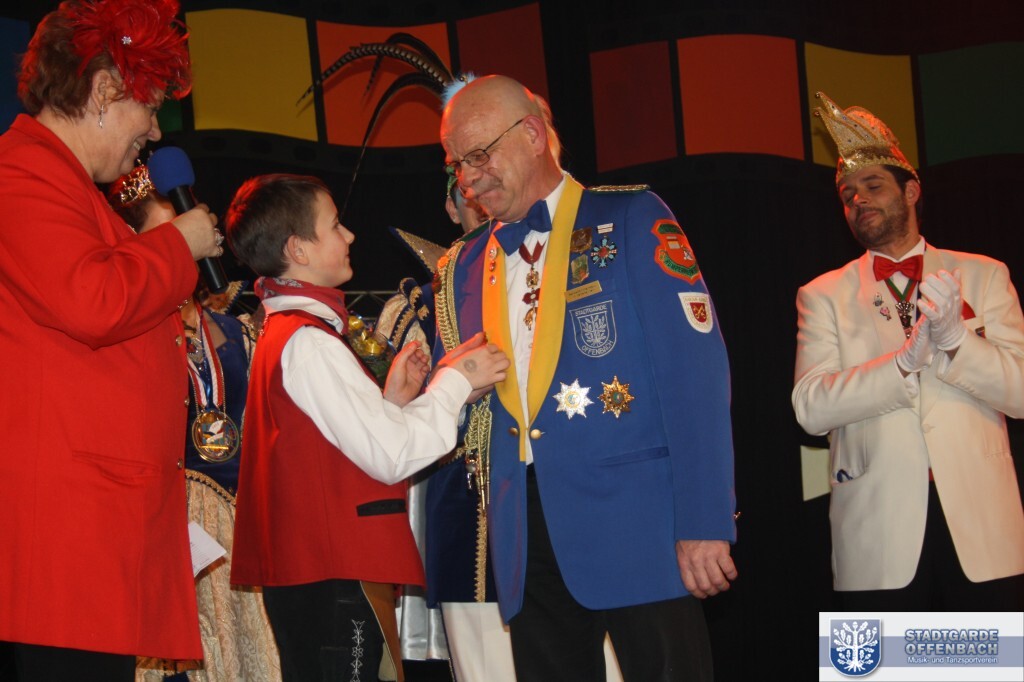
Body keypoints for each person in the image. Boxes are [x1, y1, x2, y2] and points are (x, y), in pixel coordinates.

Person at [438, 75, 737, 681]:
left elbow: (695, 377)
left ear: (531, 134)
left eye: (479, 155)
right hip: (525, 533)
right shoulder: (464, 264)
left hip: (641, 524)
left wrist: (704, 520)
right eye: (457, 164)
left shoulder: (630, 216)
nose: (468, 179)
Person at [0, 1, 222, 680]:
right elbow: (91, 299)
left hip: (92, 531)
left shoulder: (71, 187)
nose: (154, 132)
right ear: (102, 91)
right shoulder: (21, 172)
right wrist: (177, 244)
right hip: (64, 536)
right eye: (149, 108)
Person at [223, 173, 509, 682]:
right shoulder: (309, 341)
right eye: (335, 225)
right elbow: (391, 455)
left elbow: (342, 448)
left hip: (322, 574)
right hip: (333, 575)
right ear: (298, 249)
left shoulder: (292, 333)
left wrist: (392, 403)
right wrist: (455, 380)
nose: (350, 235)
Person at [792, 92, 1024, 610]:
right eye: (848, 194)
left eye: (873, 186)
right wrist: (900, 365)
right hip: (875, 535)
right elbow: (809, 409)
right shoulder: (821, 294)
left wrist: (958, 342)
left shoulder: (984, 274)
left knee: (988, 657)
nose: (859, 200)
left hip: (984, 530)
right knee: (880, 659)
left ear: (912, 191)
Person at [108, 167, 282, 682]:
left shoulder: (234, 332)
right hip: (162, 524)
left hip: (238, 534)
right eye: (168, 237)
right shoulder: (126, 336)